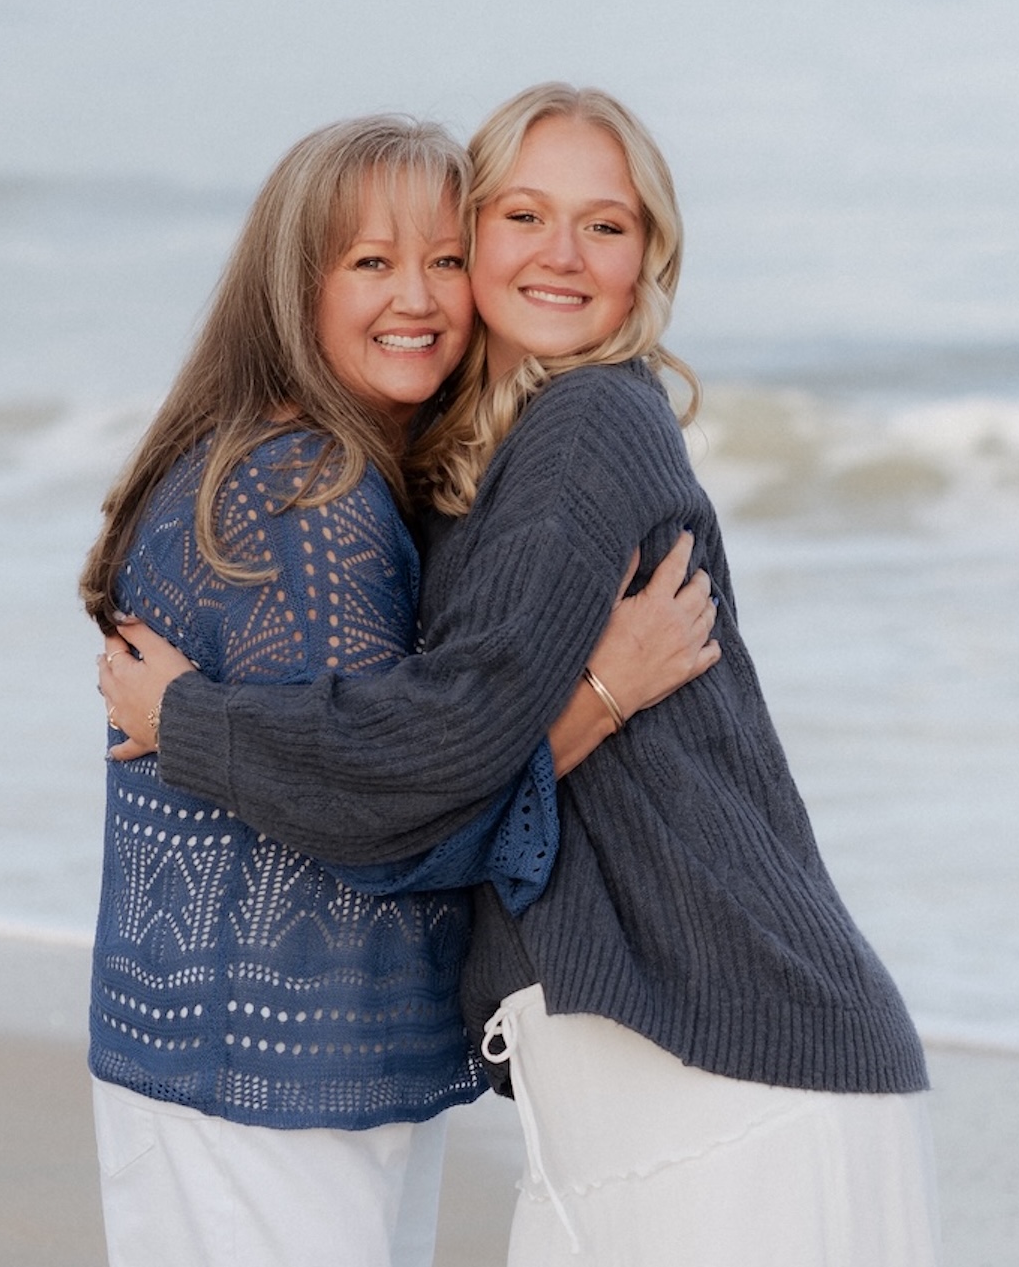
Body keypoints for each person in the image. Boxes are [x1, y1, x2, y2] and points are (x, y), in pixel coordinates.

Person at [101, 85, 939, 1265]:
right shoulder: (463, 472)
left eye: (605, 225)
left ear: (650, 256)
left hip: (730, 1064)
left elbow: (434, 752)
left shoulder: (589, 424)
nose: (560, 255)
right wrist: (591, 702)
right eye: (521, 216)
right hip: (653, 1080)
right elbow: (450, 763)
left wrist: (188, 724)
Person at [77, 113, 718, 1267]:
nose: (416, 297)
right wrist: (606, 695)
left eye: (443, 259)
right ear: (292, 285)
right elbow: (383, 819)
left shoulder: (242, 453)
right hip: (280, 1077)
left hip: (199, 1054)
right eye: (370, 262)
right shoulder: (319, 503)